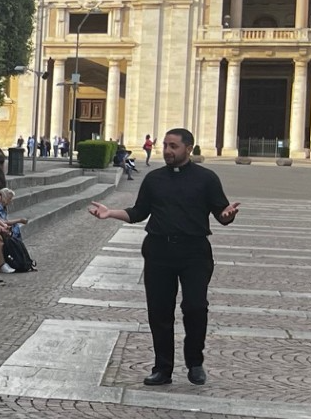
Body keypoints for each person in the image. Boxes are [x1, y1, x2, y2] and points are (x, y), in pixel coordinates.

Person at [89, 127, 238, 386]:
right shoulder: (154, 179)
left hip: (194, 252)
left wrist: (228, 215)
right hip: (159, 251)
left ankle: (195, 362)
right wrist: (110, 213)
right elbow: (138, 212)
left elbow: (221, 214)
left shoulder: (207, 179)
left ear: (188, 148)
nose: (168, 151)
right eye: (166, 146)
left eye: (173, 146)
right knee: (159, 312)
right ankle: (163, 368)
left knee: (195, 307)